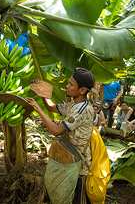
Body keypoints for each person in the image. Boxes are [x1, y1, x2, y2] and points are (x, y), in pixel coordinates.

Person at [26, 67, 95, 204]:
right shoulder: (73, 103)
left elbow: (57, 130)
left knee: (74, 198)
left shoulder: (82, 109)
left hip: (77, 163)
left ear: (82, 90)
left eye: (71, 84)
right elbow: (53, 107)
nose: (67, 86)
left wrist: (37, 108)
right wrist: (44, 96)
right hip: (67, 157)